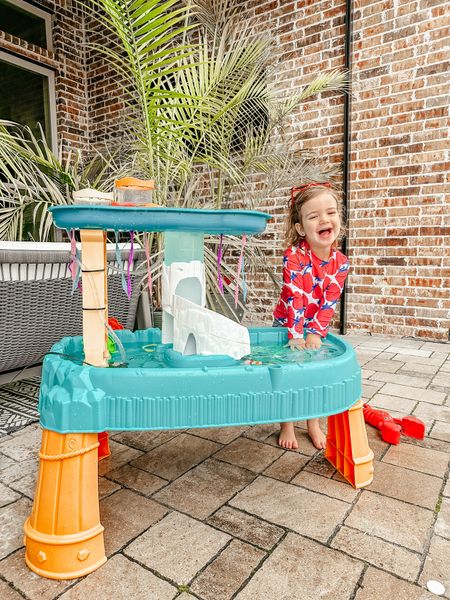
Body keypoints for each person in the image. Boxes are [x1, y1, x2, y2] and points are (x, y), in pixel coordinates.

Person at [273, 182, 349, 450]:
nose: (324, 220)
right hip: (287, 323)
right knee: (288, 373)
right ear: (301, 228)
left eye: (330, 213)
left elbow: (329, 302)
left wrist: (315, 332)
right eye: (314, 216)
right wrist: (295, 335)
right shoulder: (293, 256)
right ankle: (287, 424)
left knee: (314, 374)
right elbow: (295, 297)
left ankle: (313, 423)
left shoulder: (341, 262)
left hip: (314, 327)